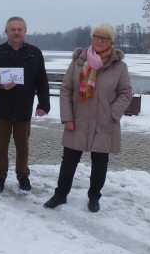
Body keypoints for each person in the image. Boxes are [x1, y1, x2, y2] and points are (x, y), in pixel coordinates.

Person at [44, 22, 132, 213]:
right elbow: (66, 89)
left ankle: (94, 197)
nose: (99, 41)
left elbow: (125, 93)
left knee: (100, 164)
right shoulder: (78, 62)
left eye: (104, 38)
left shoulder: (119, 66)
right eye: (96, 37)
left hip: (104, 122)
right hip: (77, 120)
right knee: (68, 161)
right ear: (91, 38)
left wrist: (113, 113)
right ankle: (60, 194)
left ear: (111, 41)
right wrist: (67, 116)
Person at [0, 16, 50, 192]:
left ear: (25, 31)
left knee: (23, 146)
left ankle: (23, 175)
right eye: (12, 29)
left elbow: (42, 81)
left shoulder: (35, 53)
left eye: (20, 29)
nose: (16, 32)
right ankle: (0, 176)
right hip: (2, 107)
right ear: (6, 32)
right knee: (1, 146)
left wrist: (43, 104)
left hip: (23, 108)